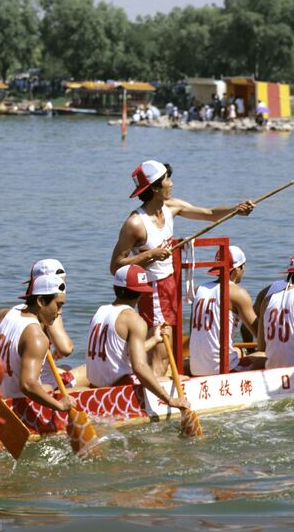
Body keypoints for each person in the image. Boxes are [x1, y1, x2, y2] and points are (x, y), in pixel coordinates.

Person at [110, 160, 254, 373]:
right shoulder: (135, 224)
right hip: (153, 290)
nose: (172, 183)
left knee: (170, 348)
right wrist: (151, 254)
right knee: (161, 352)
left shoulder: (171, 207)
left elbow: (208, 213)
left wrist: (236, 209)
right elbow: (116, 266)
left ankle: (161, 381)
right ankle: (156, 395)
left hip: (172, 285)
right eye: (167, 179)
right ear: (155, 187)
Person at [84, 264, 192, 412]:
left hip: (95, 387)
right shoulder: (134, 320)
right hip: (118, 389)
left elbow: (123, 352)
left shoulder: (100, 311)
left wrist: (154, 339)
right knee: (178, 379)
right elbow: (139, 367)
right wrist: (169, 399)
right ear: (141, 294)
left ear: (115, 288)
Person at [0, 266, 79, 411]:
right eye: (58, 305)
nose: (60, 312)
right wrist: (60, 406)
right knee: (81, 389)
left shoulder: (3, 314)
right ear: (41, 300)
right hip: (14, 407)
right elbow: (28, 385)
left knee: (58, 376)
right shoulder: (37, 338)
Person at [188, 245, 261, 375]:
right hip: (222, 369)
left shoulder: (199, 289)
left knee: (237, 351)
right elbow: (260, 335)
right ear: (238, 268)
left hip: (196, 368)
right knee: (265, 357)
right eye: (243, 267)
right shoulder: (238, 293)